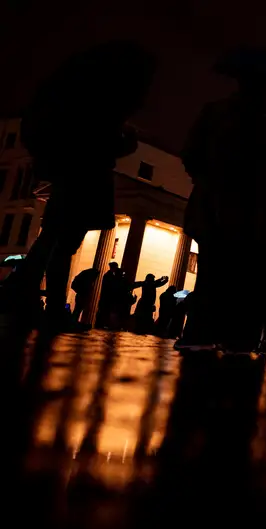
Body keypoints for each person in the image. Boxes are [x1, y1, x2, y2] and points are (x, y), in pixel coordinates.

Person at [0, 42, 155, 331]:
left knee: (54, 239)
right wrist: (126, 143)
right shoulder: (102, 105)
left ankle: (28, 294)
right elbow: (100, 145)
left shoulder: (77, 97)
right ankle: (37, 299)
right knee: (62, 242)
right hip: (87, 177)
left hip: (72, 174)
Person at [176, 74, 266, 353]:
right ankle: (240, 336)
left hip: (214, 202)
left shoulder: (214, 112)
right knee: (247, 273)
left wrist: (210, 176)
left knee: (210, 270)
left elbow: (190, 155)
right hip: (256, 210)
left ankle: (199, 332)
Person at [96, 262, 124, 329]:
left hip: (106, 298)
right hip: (107, 299)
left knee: (105, 313)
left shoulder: (108, 275)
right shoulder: (109, 276)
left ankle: (101, 325)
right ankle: (101, 325)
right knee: (105, 313)